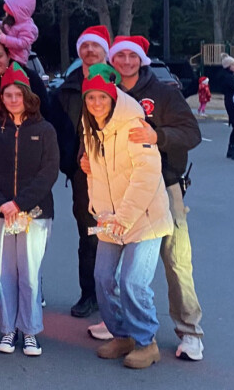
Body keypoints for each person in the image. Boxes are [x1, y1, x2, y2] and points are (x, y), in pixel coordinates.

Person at [105, 35, 205, 361]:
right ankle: (127, 329)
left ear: (142, 60)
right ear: (112, 60)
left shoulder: (164, 93)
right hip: (124, 192)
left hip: (166, 185)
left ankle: (190, 332)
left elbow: (192, 134)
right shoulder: (108, 95)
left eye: (132, 56)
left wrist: (158, 135)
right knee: (119, 267)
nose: (126, 62)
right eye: (119, 56)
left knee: (176, 262)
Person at [79, 64, 172, 369]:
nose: (96, 103)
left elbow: (147, 175)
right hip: (111, 218)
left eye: (101, 98)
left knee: (133, 281)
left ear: (113, 98)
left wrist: (125, 217)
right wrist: (98, 208)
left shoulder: (133, 125)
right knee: (103, 277)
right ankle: (122, 335)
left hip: (144, 219)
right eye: (90, 98)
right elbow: (96, 174)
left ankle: (146, 342)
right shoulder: (92, 129)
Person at [0, 64, 58, 356]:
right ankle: (8, 329)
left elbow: (49, 172)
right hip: (0, 214)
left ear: (27, 96)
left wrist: (20, 202)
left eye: (17, 94)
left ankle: (30, 330)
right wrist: (1, 202)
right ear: (1, 98)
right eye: (7, 94)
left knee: (30, 273)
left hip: (35, 214)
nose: (12, 99)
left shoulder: (44, 130)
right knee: (5, 272)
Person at [0, 34, 49, 281]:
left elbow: (46, 119)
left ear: (8, 56)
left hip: (26, 167)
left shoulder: (28, 79)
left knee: (28, 231)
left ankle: (32, 281)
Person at [52, 25, 111, 318]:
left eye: (95, 46)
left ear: (105, 51)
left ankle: (114, 296)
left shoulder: (117, 83)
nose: (89, 51)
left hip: (116, 172)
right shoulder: (68, 88)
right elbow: (56, 127)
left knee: (116, 234)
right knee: (89, 234)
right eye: (84, 46)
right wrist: (68, 161)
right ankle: (89, 294)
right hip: (82, 174)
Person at [0, 0, 38, 65]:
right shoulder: (14, 21)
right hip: (6, 56)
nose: (6, 14)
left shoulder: (28, 27)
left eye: (8, 12)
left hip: (17, 59)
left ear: (18, 12)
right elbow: (7, 27)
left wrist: (6, 39)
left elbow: (23, 43)